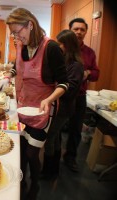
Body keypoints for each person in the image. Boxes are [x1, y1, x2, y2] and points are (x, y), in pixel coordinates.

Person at [6, 8, 68, 200]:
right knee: (22, 149)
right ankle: (22, 182)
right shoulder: (22, 46)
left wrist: (49, 99)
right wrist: (8, 76)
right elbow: (20, 69)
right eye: (13, 33)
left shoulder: (51, 48)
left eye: (18, 31)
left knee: (33, 153)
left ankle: (35, 185)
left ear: (30, 25)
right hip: (23, 105)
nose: (16, 37)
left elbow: (65, 83)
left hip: (42, 109)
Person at [41, 30, 84, 180]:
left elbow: (70, 89)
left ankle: (48, 171)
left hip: (64, 109)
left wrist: (56, 88)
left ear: (67, 45)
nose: (58, 47)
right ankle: (54, 169)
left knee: (50, 137)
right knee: (56, 137)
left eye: (60, 44)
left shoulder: (76, 66)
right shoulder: (64, 61)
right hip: (58, 107)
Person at [63, 18, 100, 172]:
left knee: (76, 129)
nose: (79, 32)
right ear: (70, 30)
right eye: (76, 29)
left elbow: (97, 73)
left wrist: (87, 73)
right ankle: (52, 157)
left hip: (79, 96)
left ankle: (70, 158)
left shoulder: (89, 52)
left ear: (85, 32)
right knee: (56, 129)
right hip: (62, 96)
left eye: (82, 30)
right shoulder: (61, 48)